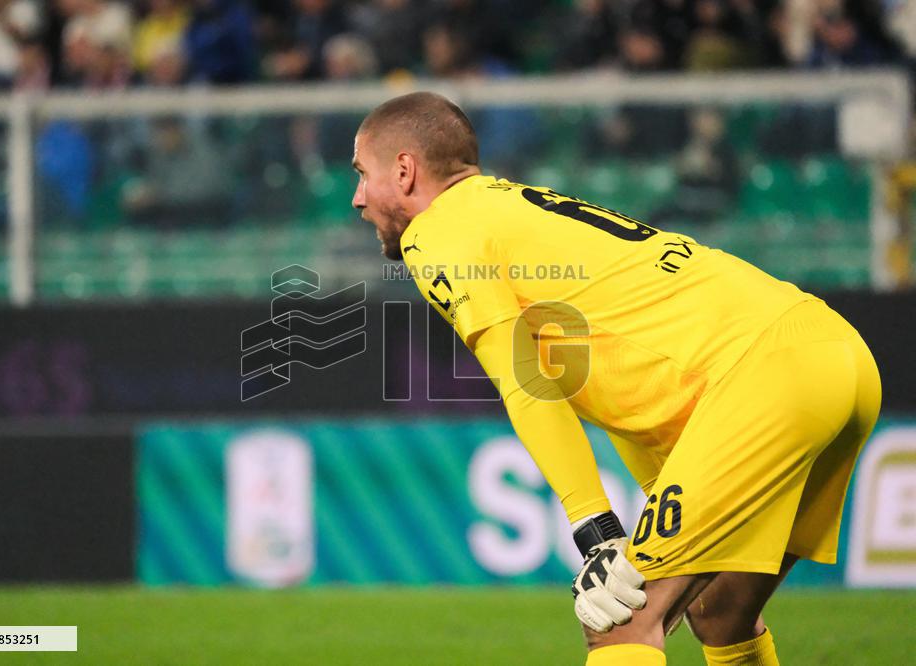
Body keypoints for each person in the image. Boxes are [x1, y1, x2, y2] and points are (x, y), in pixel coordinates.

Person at [350, 91, 881, 666]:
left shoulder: (438, 231)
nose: (356, 198)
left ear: (404, 171)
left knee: (619, 621)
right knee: (720, 612)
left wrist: (595, 529)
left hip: (764, 375)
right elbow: (634, 389)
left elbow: (524, 381)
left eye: (362, 174)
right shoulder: (515, 211)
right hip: (833, 355)